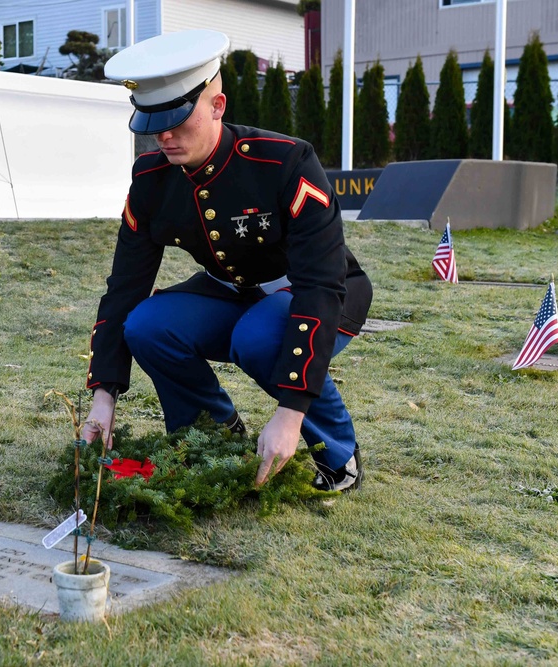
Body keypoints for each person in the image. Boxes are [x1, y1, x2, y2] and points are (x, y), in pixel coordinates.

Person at [80, 30, 373, 492]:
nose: (166, 136)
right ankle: (214, 436)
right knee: (147, 325)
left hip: (319, 292)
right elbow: (125, 288)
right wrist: (104, 394)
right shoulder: (152, 179)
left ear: (217, 106)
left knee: (258, 336)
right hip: (231, 293)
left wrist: (289, 413)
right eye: (154, 123)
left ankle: (337, 456)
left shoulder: (286, 162)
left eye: (179, 119)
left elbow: (320, 284)